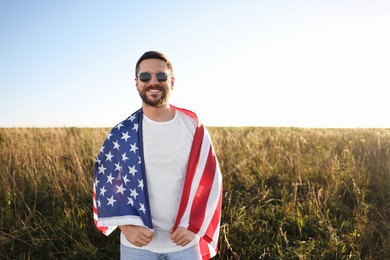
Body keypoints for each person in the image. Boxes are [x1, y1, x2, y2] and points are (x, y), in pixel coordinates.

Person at [93, 51, 223, 260]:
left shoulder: (194, 128)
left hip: (184, 245)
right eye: (145, 77)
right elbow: (106, 182)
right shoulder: (121, 133)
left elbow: (210, 180)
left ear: (172, 81)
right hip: (136, 246)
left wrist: (194, 225)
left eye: (161, 76)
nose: (153, 82)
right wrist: (125, 226)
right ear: (136, 83)